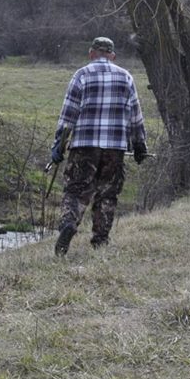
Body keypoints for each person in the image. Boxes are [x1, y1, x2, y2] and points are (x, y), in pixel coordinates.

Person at [49, 36, 148, 257]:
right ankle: (100, 241)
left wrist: (58, 145)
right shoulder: (126, 77)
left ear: (91, 53)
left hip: (84, 146)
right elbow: (135, 116)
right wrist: (140, 144)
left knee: (75, 191)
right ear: (112, 56)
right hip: (115, 148)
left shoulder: (81, 75)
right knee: (107, 194)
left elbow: (68, 115)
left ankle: (69, 224)